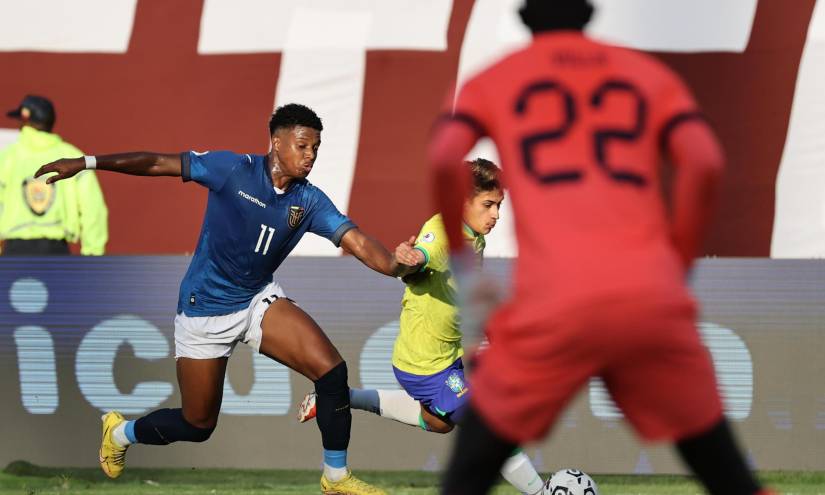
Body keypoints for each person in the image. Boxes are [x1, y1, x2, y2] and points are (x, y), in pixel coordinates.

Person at [428, 1, 776, 495]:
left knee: (470, 471)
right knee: (726, 473)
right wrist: (676, 263)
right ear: (589, 12)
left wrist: (466, 269)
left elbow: (443, 158)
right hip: (649, 296)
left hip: (554, 302)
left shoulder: (495, 79)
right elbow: (704, 160)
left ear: (524, 15)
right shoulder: (647, 74)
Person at [36, 103, 413, 495]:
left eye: (315, 148)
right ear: (276, 142)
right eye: (302, 146)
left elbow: (357, 241)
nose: (310, 156)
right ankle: (120, 433)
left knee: (332, 371)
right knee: (197, 425)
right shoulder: (232, 169)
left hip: (256, 300)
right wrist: (87, 163)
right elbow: (157, 163)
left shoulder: (309, 200)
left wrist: (395, 265)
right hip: (204, 311)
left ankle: (335, 477)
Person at [296, 159, 547, 495]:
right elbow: (421, 257)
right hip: (425, 365)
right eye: (488, 205)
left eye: (499, 205)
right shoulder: (442, 234)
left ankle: (340, 398)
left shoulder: (475, 238)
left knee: (439, 423)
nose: (496, 215)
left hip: (448, 356)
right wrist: (409, 260)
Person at [0, 94, 108, 255]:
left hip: (15, 252)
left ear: (25, 121)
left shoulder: (6, 158)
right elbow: (93, 210)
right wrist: (93, 253)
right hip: (57, 252)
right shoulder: (74, 158)